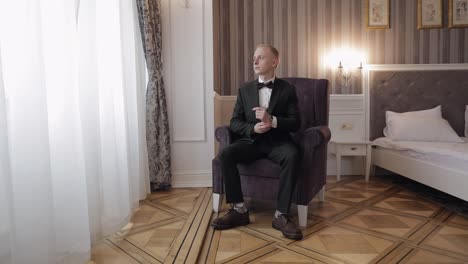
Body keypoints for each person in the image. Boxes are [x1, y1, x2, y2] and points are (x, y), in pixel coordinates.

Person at [211, 44, 303, 240]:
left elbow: (296, 123)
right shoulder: (244, 90)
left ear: (274, 62)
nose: (254, 61)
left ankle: (281, 215)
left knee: (293, 155)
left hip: (278, 142)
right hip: (251, 141)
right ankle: (239, 209)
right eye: (254, 57)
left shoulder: (288, 89)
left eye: (260, 57)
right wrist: (252, 128)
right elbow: (235, 122)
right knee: (226, 153)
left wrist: (273, 121)